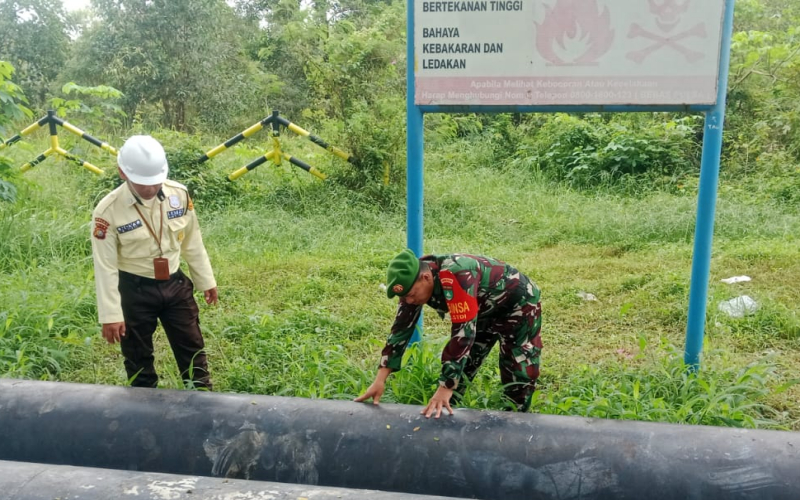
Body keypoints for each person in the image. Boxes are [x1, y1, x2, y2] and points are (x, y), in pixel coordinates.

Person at [91, 135, 218, 390]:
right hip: (135, 290)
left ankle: (203, 402)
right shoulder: (107, 212)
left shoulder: (178, 195)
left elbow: (192, 242)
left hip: (175, 284)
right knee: (138, 357)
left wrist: (206, 280)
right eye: (142, 183)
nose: (150, 189)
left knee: (192, 348)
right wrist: (111, 315)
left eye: (155, 182)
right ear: (122, 173)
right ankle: (143, 411)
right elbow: (104, 266)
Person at [355, 250, 542, 418]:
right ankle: (447, 421)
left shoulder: (456, 275)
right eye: (405, 297)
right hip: (481, 308)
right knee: (465, 365)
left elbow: (463, 333)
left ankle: (518, 425)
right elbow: (400, 329)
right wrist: (380, 379)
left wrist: (446, 386)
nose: (409, 300)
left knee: (518, 369)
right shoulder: (411, 282)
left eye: (411, 294)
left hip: (518, 304)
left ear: (426, 278)